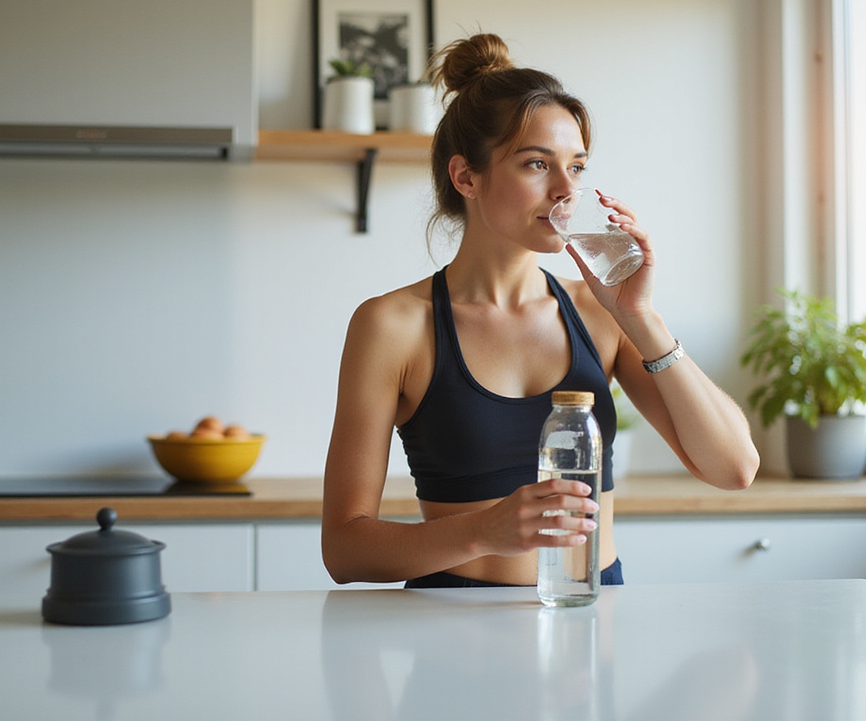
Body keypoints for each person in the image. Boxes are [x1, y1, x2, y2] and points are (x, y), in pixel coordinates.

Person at [321, 33, 759, 588]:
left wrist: (642, 319)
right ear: (466, 177)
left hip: (590, 627)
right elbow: (344, 550)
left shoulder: (603, 312)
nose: (564, 190)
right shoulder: (393, 326)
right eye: (536, 164)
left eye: (576, 167)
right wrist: (485, 530)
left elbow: (735, 469)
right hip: (451, 636)